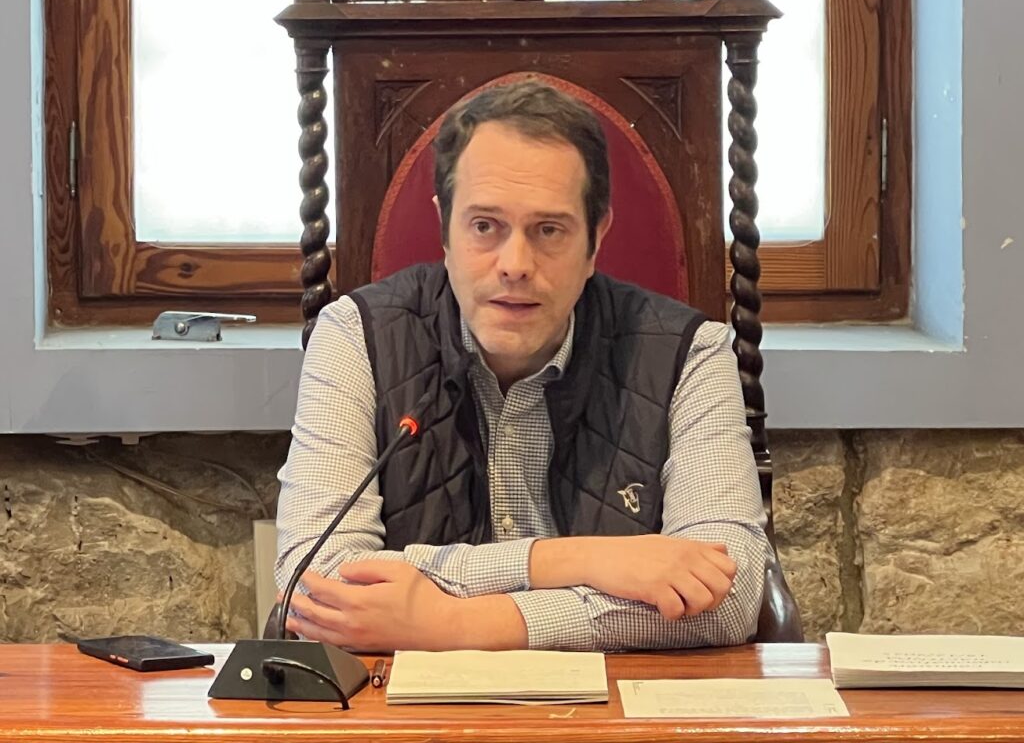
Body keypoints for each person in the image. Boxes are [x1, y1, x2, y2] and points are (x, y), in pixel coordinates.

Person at [274, 79, 771, 653]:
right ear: (444, 230)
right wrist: (579, 559)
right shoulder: (355, 335)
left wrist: (460, 626)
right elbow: (315, 579)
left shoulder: (690, 354)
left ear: (596, 238)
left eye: (549, 230)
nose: (515, 264)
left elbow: (728, 596)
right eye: (485, 226)